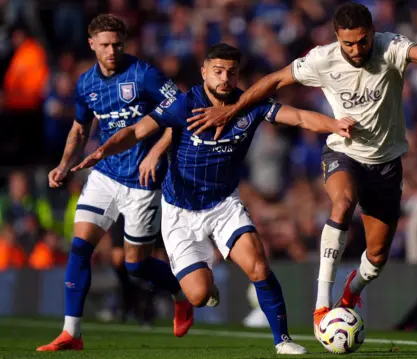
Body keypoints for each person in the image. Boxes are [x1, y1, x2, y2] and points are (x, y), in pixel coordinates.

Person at [184, 2, 417, 336]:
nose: (356, 49)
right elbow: (274, 81)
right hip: (343, 154)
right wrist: (231, 112)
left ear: (372, 33)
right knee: (342, 204)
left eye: (361, 41)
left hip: (385, 164)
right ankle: (321, 306)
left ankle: (351, 291)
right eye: (348, 43)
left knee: (375, 258)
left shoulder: (390, 47)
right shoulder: (322, 59)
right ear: (336, 38)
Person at [72, 43, 355, 355]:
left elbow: (299, 117)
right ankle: (193, 291)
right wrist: (102, 151)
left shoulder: (249, 105)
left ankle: (283, 340)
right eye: (218, 71)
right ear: (204, 72)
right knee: (198, 294)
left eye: (231, 72)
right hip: (180, 211)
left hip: (223, 205)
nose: (225, 78)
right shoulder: (184, 104)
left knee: (259, 266)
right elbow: (139, 130)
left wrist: (336, 125)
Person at [37, 14, 192, 352]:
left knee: (136, 264)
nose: (112, 50)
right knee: (80, 245)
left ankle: (180, 292)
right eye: (105, 45)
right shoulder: (85, 84)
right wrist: (64, 165)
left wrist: (156, 154)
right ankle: (71, 334)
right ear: (91, 44)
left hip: (142, 180)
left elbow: (180, 112)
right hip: (105, 175)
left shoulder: (144, 75)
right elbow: (80, 129)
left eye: (117, 44)